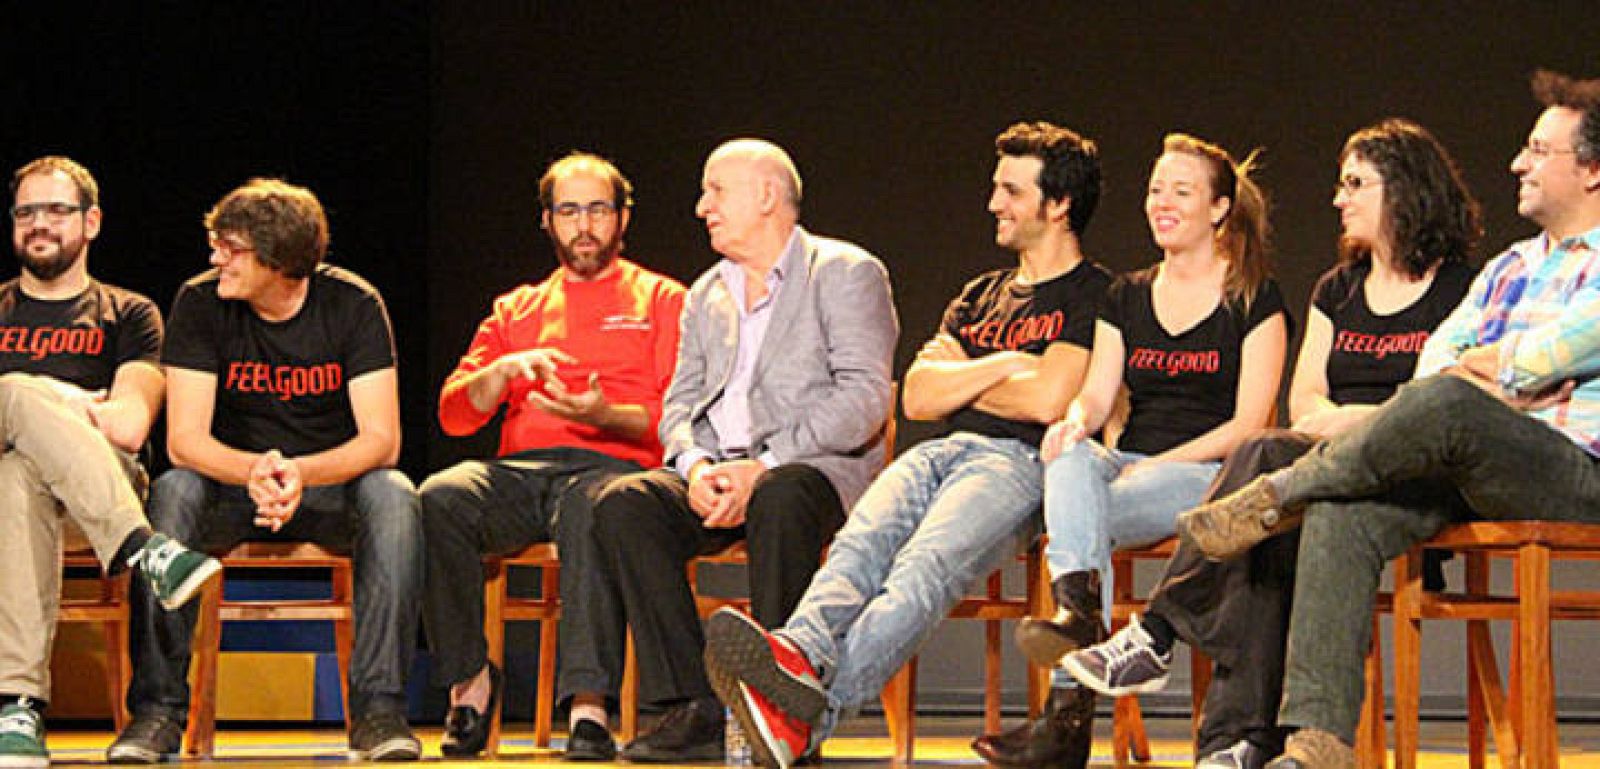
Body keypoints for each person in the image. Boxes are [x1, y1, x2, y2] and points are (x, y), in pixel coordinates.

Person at [1179, 70, 1600, 768]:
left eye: (1536, 149)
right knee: (1347, 512)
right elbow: (1435, 361)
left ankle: (1283, 493)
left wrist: (1492, 369)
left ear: (1591, 169)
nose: (1516, 162)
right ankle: (1315, 744)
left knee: (1447, 405)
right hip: (1476, 462)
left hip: (1575, 468)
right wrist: (1486, 373)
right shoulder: (1510, 267)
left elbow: (1551, 351)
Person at [1059, 118, 1478, 769]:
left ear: (1403, 190)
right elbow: (1305, 400)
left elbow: (1432, 405)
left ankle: (1161, 636)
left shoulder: (1459, 289)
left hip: (1416, 475)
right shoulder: (1337, 289)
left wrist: (1354, 420)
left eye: (1355, 183)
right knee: (1261, 524)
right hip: (1327, 469)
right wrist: (1359, 418)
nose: (1338, 198)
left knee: (1259, 464)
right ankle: (1237, 745)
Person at [701, 121, 1112, 769]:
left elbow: (1047, 399)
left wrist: (968, 375)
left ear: (1057, 205)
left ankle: (807, 717)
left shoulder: (1095, 293)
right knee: (857, 552)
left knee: (920, 573)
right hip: (936, 453)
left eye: (1010, 189)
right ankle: (794, 658)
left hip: (1018, 463)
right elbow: (918, 396)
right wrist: (1011, 361)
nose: (993, 203)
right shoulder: (980, 294)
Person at [977, 133, 1290, 768]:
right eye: (1154, 191)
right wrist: (1071, 422)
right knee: (1067, 456)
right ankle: (1082, 618)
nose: (1161, 204)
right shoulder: (1126, 294)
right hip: (1126, 471)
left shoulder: (1255, 297)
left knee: (1077, 506)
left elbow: (1250, 426)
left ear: (1219, 209)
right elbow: (1095, 399)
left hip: (1209, 476)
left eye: (1181, 192)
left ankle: (1064, 716)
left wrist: (1158, 465)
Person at [590, 139, 897, 763]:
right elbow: (679, 405)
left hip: (810, 471)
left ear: (766, 195)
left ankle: (783, 712)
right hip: (722, 469)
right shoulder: (708, 292)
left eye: (715, 191)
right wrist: (696, 466)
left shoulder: (844, 271)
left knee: (781, 497)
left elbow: (865, 396)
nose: (702, 207)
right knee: (624, 504)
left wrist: (767, 463)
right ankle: (692, 707)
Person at [111, 179, 424, 763]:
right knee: (173, 493)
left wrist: (301, 473)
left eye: (229, 248)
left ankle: (379, 711)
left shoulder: (354, 304)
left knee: (395, 494)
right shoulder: (200, 302)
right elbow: (184, 442)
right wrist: (255, 470)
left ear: (277, 257)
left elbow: (382, 441)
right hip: (229, 486)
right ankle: (156, 713)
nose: (215, 259)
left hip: (326, 488)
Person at [418, 152, 685, 760]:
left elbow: (678, 418)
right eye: (569, 210)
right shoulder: (516, 309)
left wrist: (602, 415)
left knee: (598, 508)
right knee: (438, 498)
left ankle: (589, 707)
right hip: (522, 474)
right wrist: (503, 370)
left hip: (615, 471)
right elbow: (456, 415)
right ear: (548, 221)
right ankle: (471, 683)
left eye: (597, 209)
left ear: (622, 219)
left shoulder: (664, 299)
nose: (583, 224)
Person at [0, 157, 218, 769]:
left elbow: (126, 424)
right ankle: (147, 553)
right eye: (26, 212)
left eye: (56, 211)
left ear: (91, 222)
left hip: (99, 498)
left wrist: (25, 394)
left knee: (15, 444)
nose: (39, 224)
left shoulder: (131, 314)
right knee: (13, 468)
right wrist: (61, 395)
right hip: (19, 509)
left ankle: (16, 705)